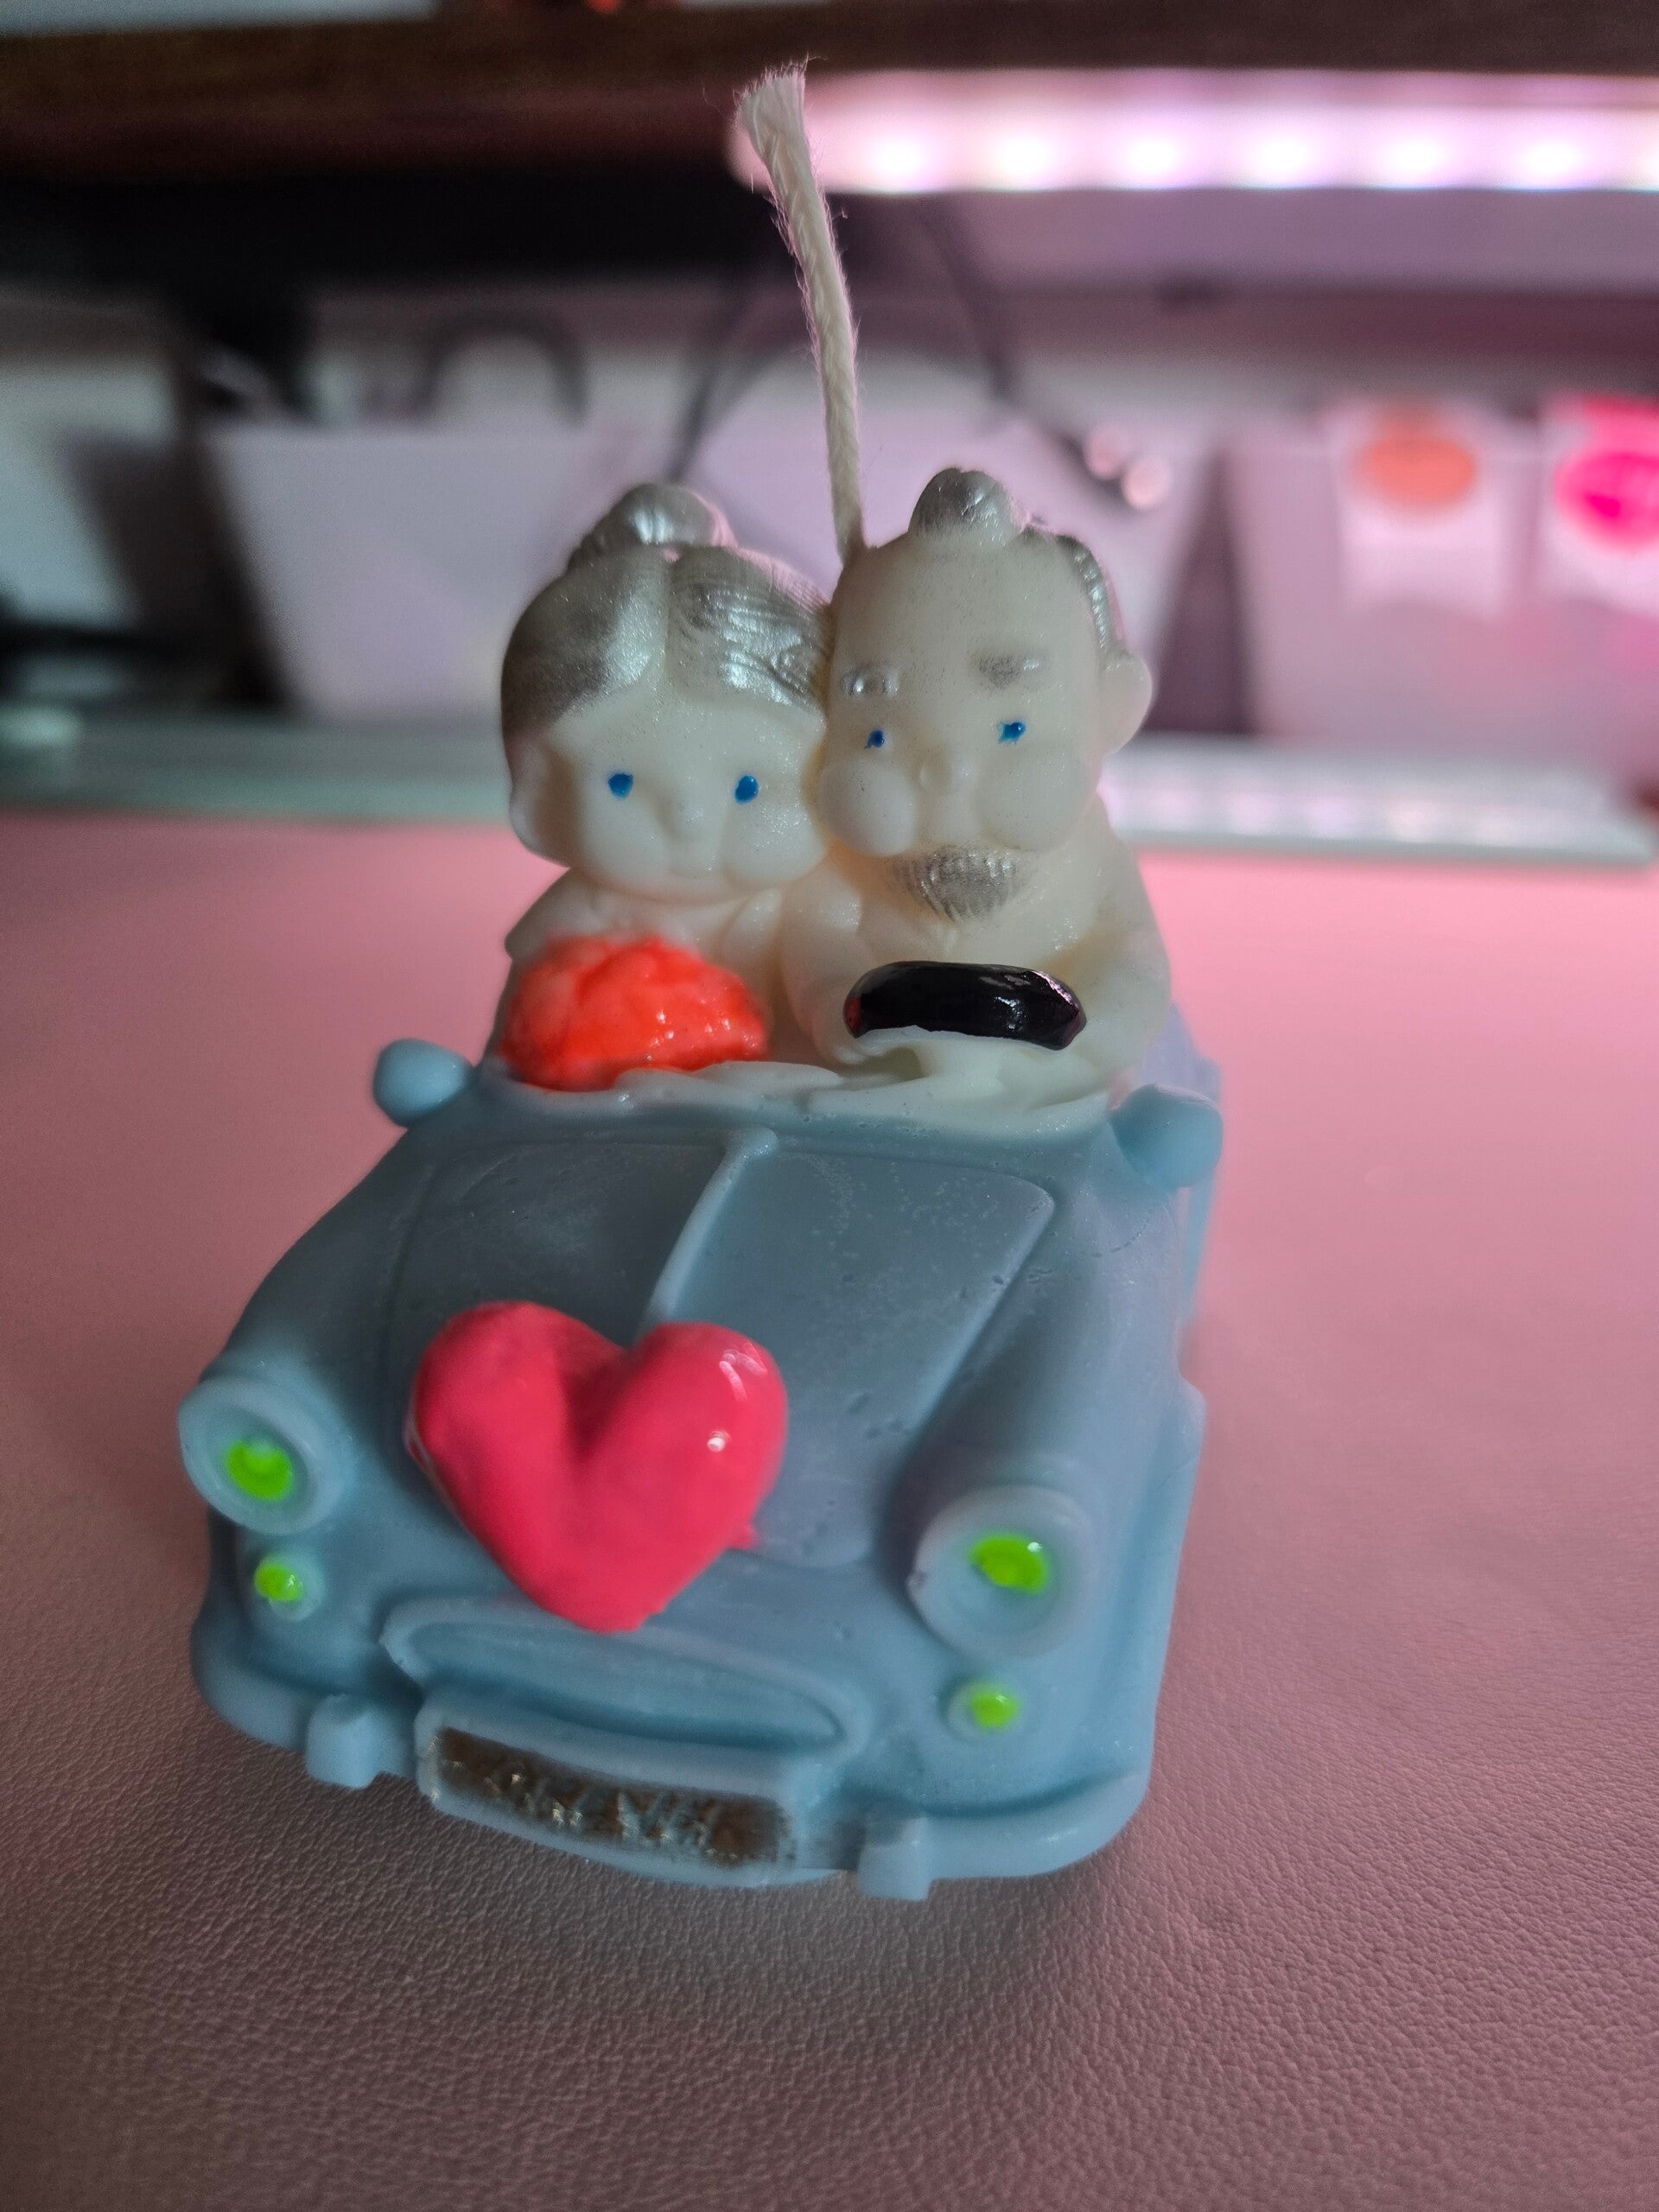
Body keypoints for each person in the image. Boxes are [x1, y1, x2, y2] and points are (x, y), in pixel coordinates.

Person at [779, 466, 1172, 1092]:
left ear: (1115, 705)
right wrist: (836, 1001)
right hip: (872, 1096)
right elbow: (815, 933)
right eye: (877, 737)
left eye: (1012, 729)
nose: (947, 774)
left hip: (1046, 1096)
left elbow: (1131, 953)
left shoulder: (1091, 859)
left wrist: (1096, 1028)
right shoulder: (845, 869)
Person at [497, 482, 829, 1052]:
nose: (690, 819)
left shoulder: (813, 914)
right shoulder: (591, 911)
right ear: (541, 797)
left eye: (749, 786)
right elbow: (524, 1016)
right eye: (621, 783)